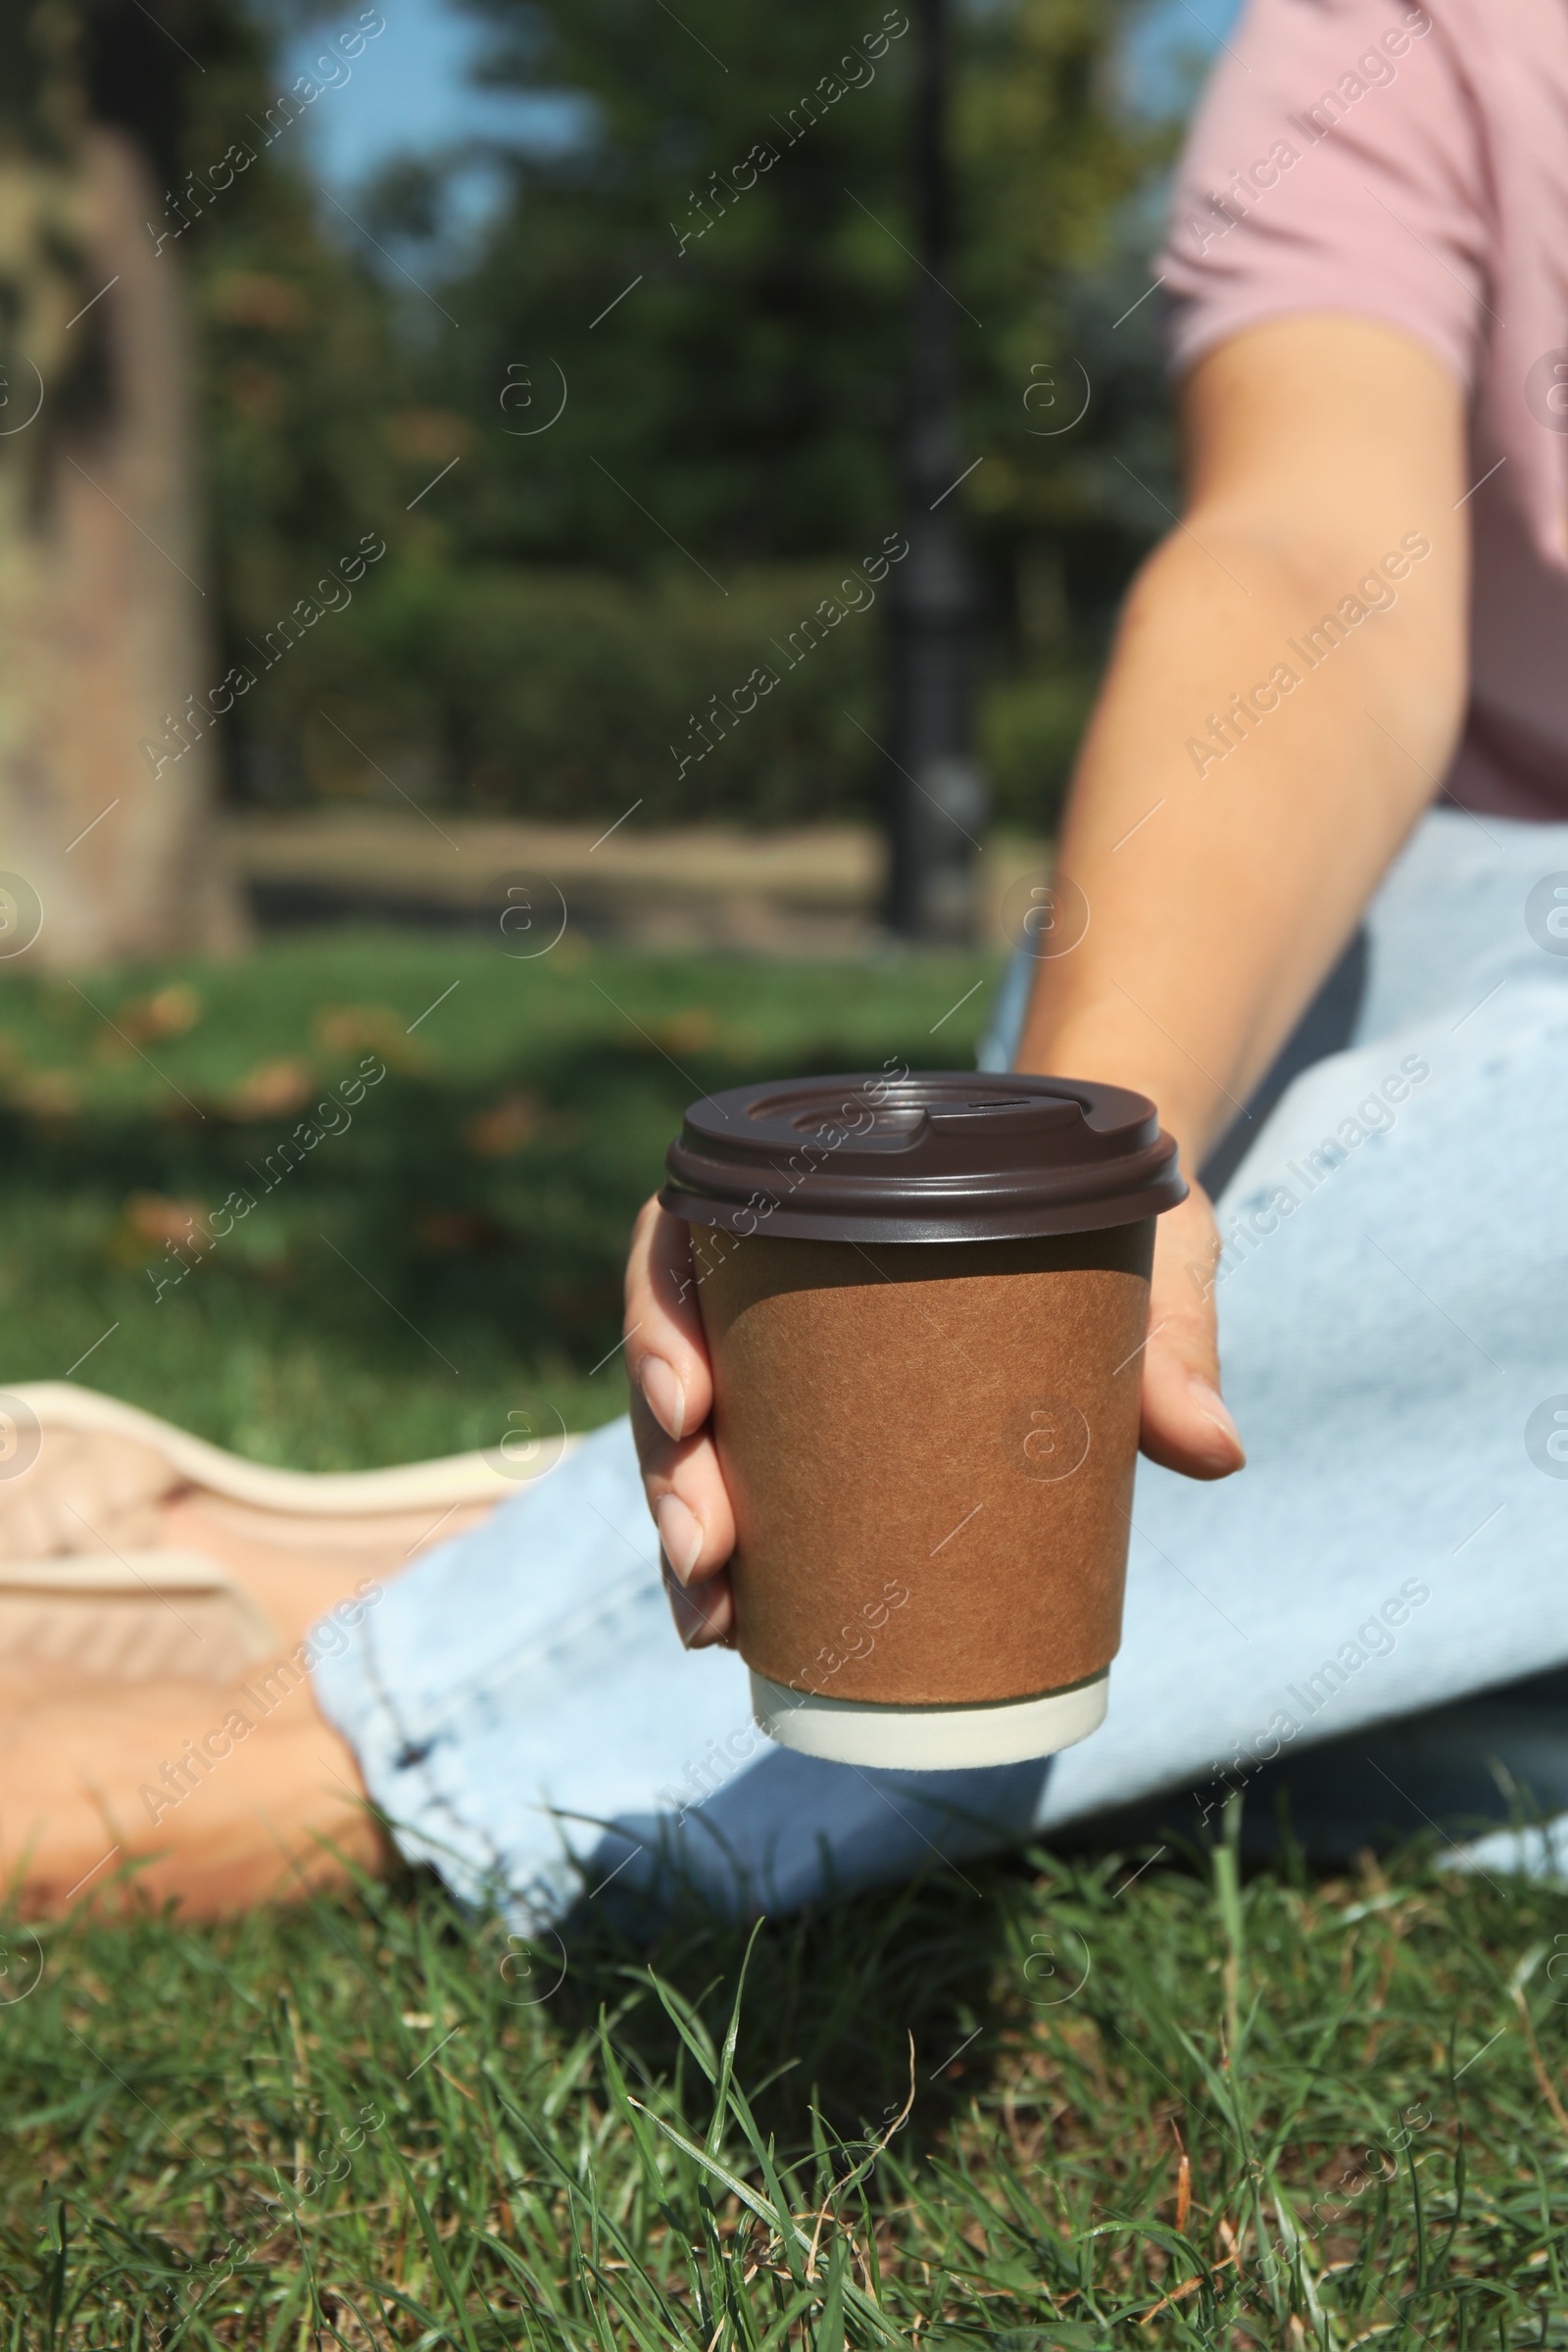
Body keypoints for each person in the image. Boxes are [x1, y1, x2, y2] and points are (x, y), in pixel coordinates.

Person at [6, 0, 1568, 1920]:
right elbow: (1319, 575)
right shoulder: (1416, 28)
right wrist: (1069, 1173)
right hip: (1368, 997)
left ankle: (399, 1702)